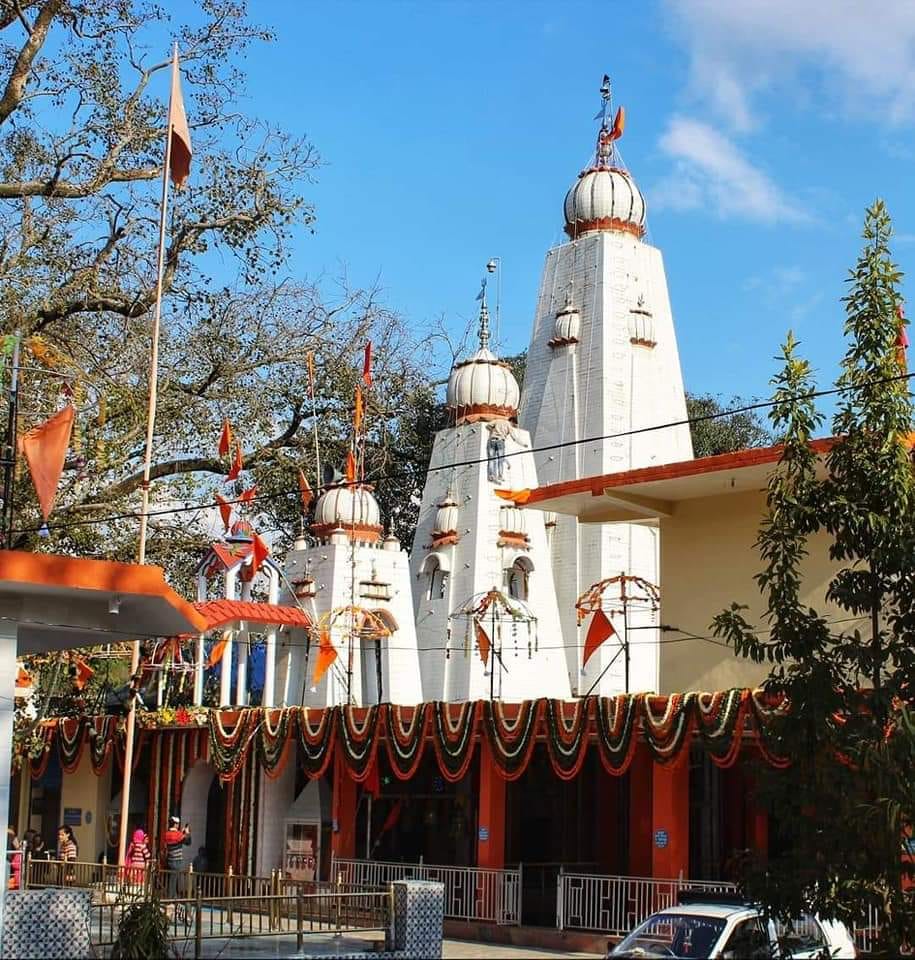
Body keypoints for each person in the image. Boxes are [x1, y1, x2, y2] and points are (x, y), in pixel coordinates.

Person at [162, 816, 191, 902]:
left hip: (169, 860)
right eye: (177, 824)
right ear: (175, 824)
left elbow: (175, 840)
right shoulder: (178, 834)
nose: (178, 825)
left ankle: (170, 897)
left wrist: (182, 833)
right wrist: (187, 833)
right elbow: (188, 842)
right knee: (174, 881)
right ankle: (171, 899)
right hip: (176, 861)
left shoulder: (167, 834)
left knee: (170, 879)